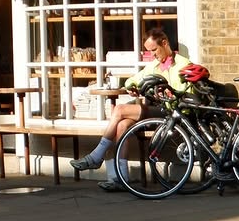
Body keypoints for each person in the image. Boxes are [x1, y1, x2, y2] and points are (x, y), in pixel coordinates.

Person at [70, 27, 192, 190]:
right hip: (157, 111)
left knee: (119, 109)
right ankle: (120, 178)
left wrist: (168, 92)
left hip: (173, 113)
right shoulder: (155, 65)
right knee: (121, 125)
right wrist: (132, 86)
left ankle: (96, 156)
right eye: (149, 51)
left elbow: (187, 93)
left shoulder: (183, 64)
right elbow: (132, 80)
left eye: (154, 50)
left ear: (165, 43)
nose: (153, 55)